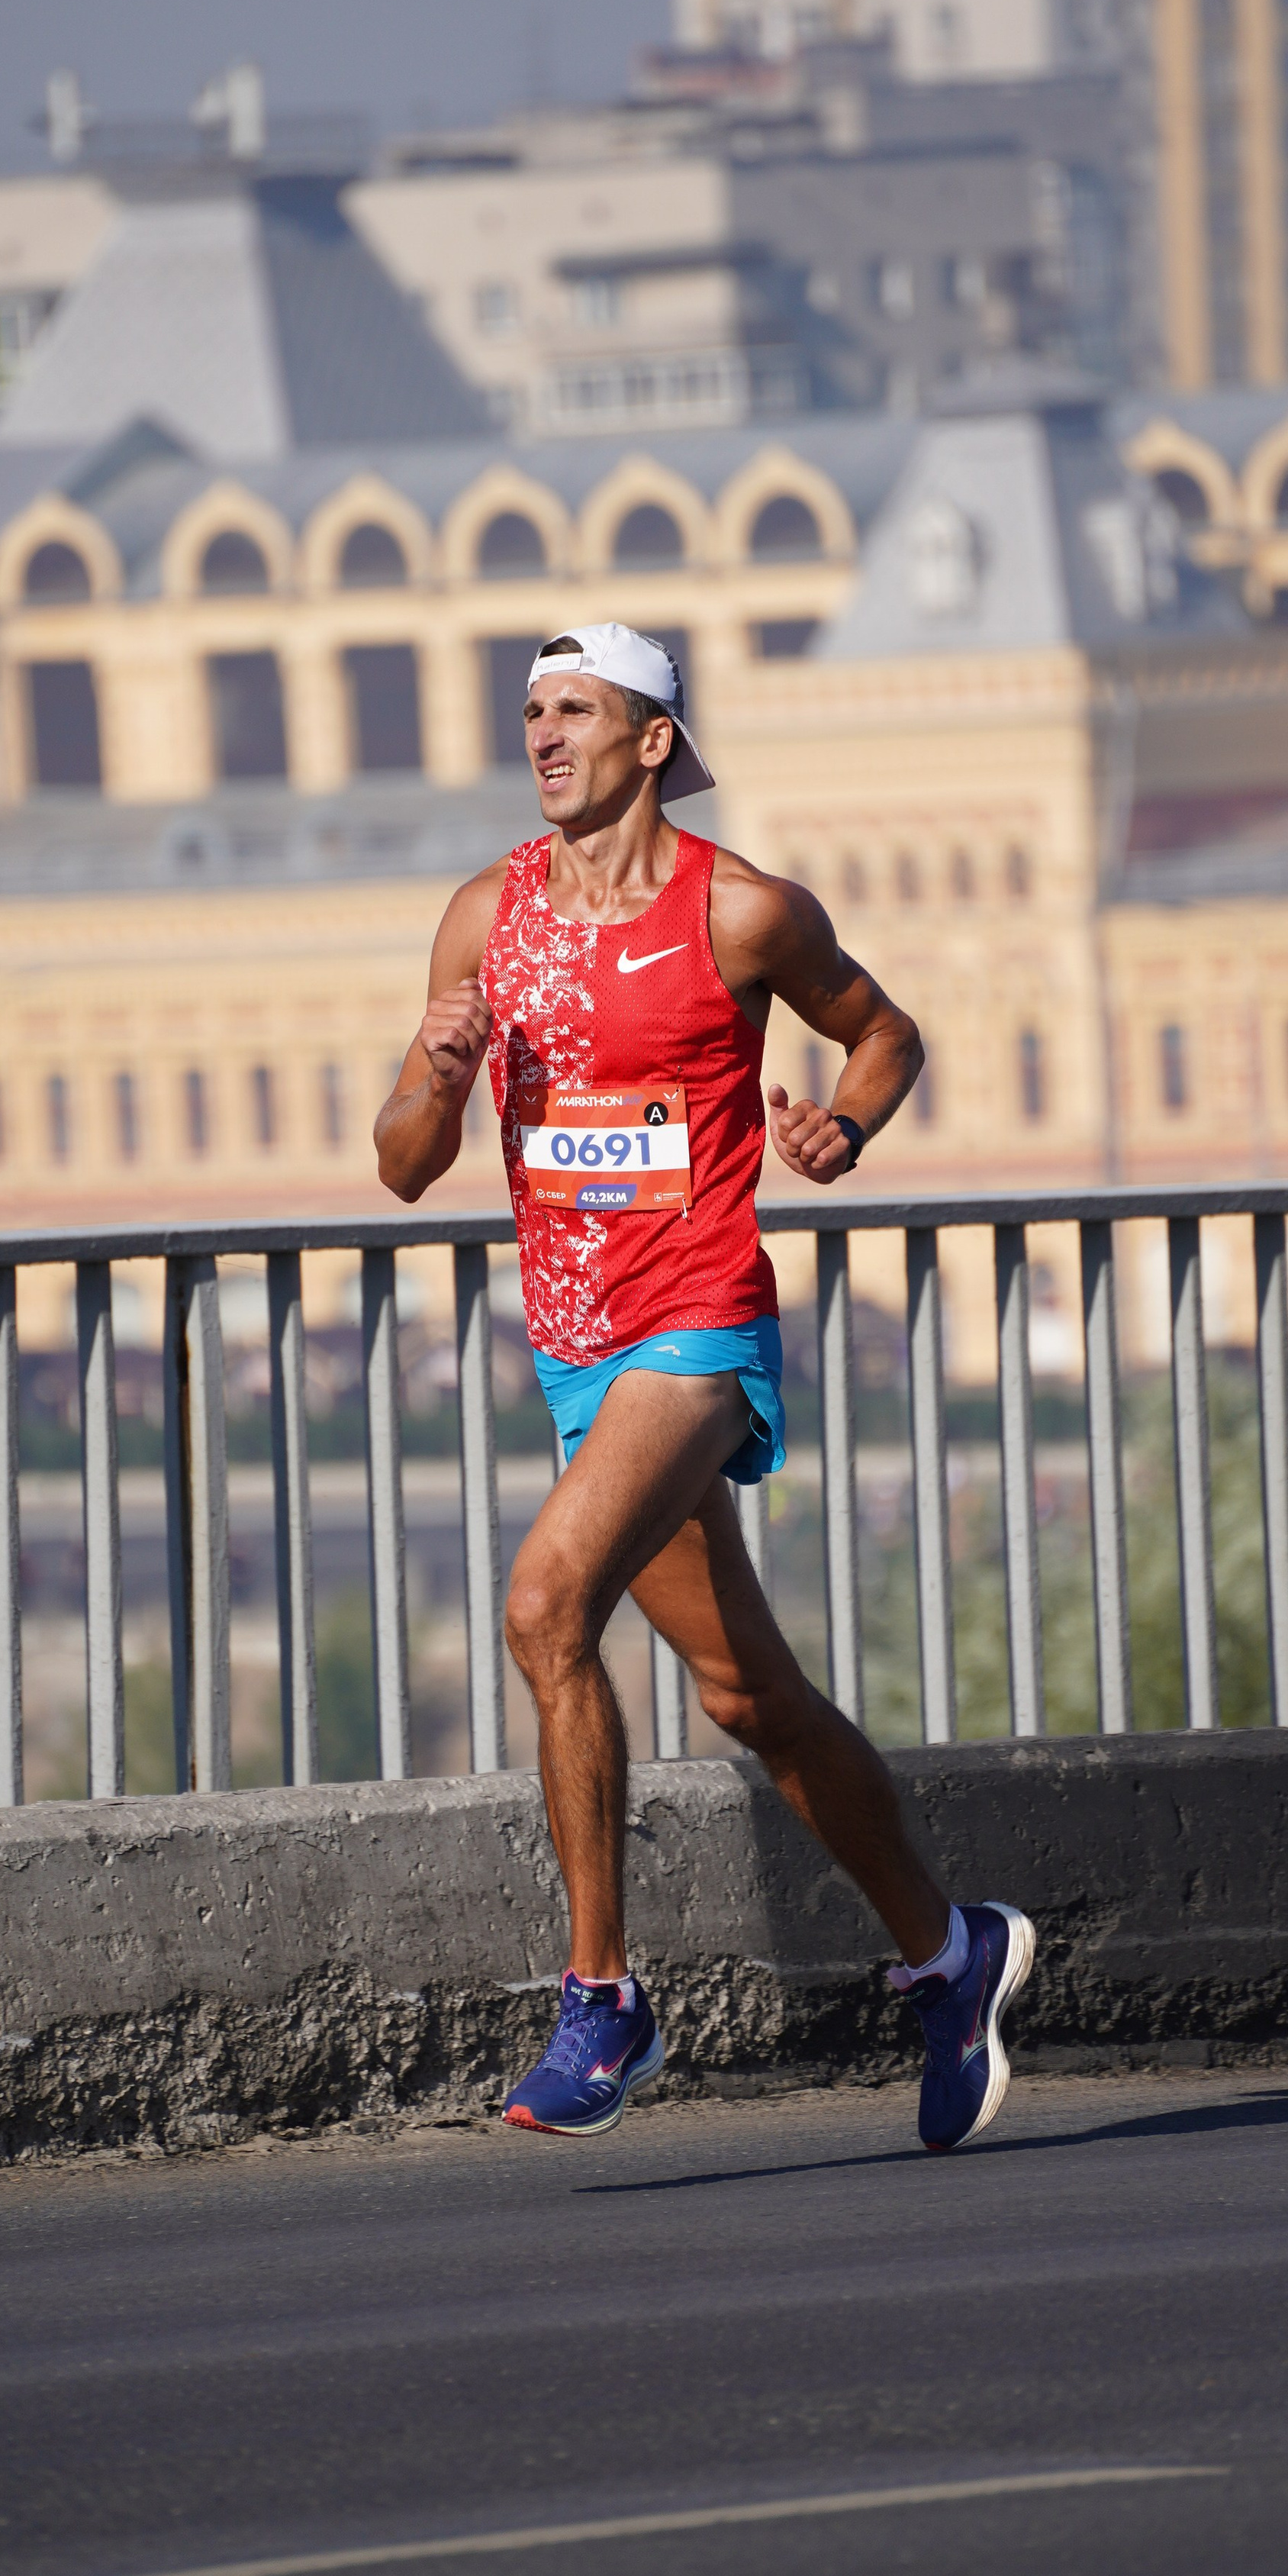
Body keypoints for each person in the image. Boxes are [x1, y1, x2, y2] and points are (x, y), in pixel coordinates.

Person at [375, 626, 1032, 2153]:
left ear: (651, 738)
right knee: (746, 1696)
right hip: (577, 1346)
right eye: (528, 712)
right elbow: (404, 1167)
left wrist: (842, 1131)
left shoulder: (735, 910)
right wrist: (439, 1063)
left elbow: (880, 1028)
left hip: (695, 1331)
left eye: (576, 711)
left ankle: (601, 1998)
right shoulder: (486, 917)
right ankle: (951, 1954)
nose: (541, 737)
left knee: (545, 1605)